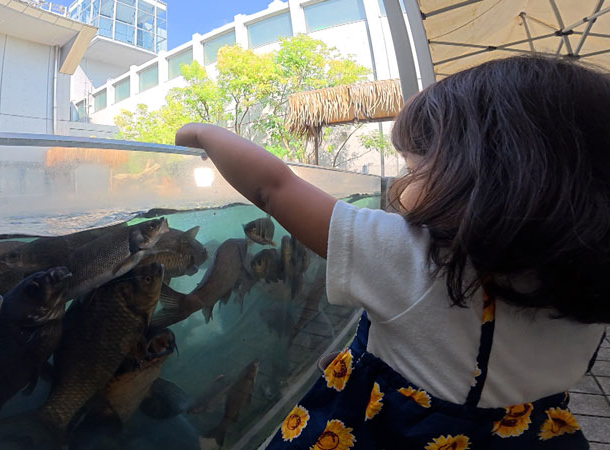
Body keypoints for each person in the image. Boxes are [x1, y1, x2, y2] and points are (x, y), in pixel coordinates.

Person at [175, 55, 609, 449]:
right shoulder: (586, 273)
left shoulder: (419, 257)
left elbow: (273, 187)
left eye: (412, 168)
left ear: (486, 176)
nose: (398, 187)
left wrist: (204, 133)